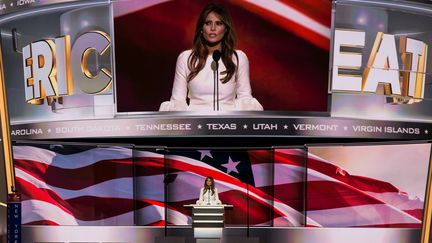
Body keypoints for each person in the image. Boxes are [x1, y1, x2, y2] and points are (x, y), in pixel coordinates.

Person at [159, 3, 263, 111]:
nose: (213, 28)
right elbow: (178, 100)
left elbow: (244, 97)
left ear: (226, 29)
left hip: (228, 122)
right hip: (195, 122)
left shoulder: (238, 58)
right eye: (208, 23)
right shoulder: (186, 58)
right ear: (201, 28)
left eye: (218, 23)